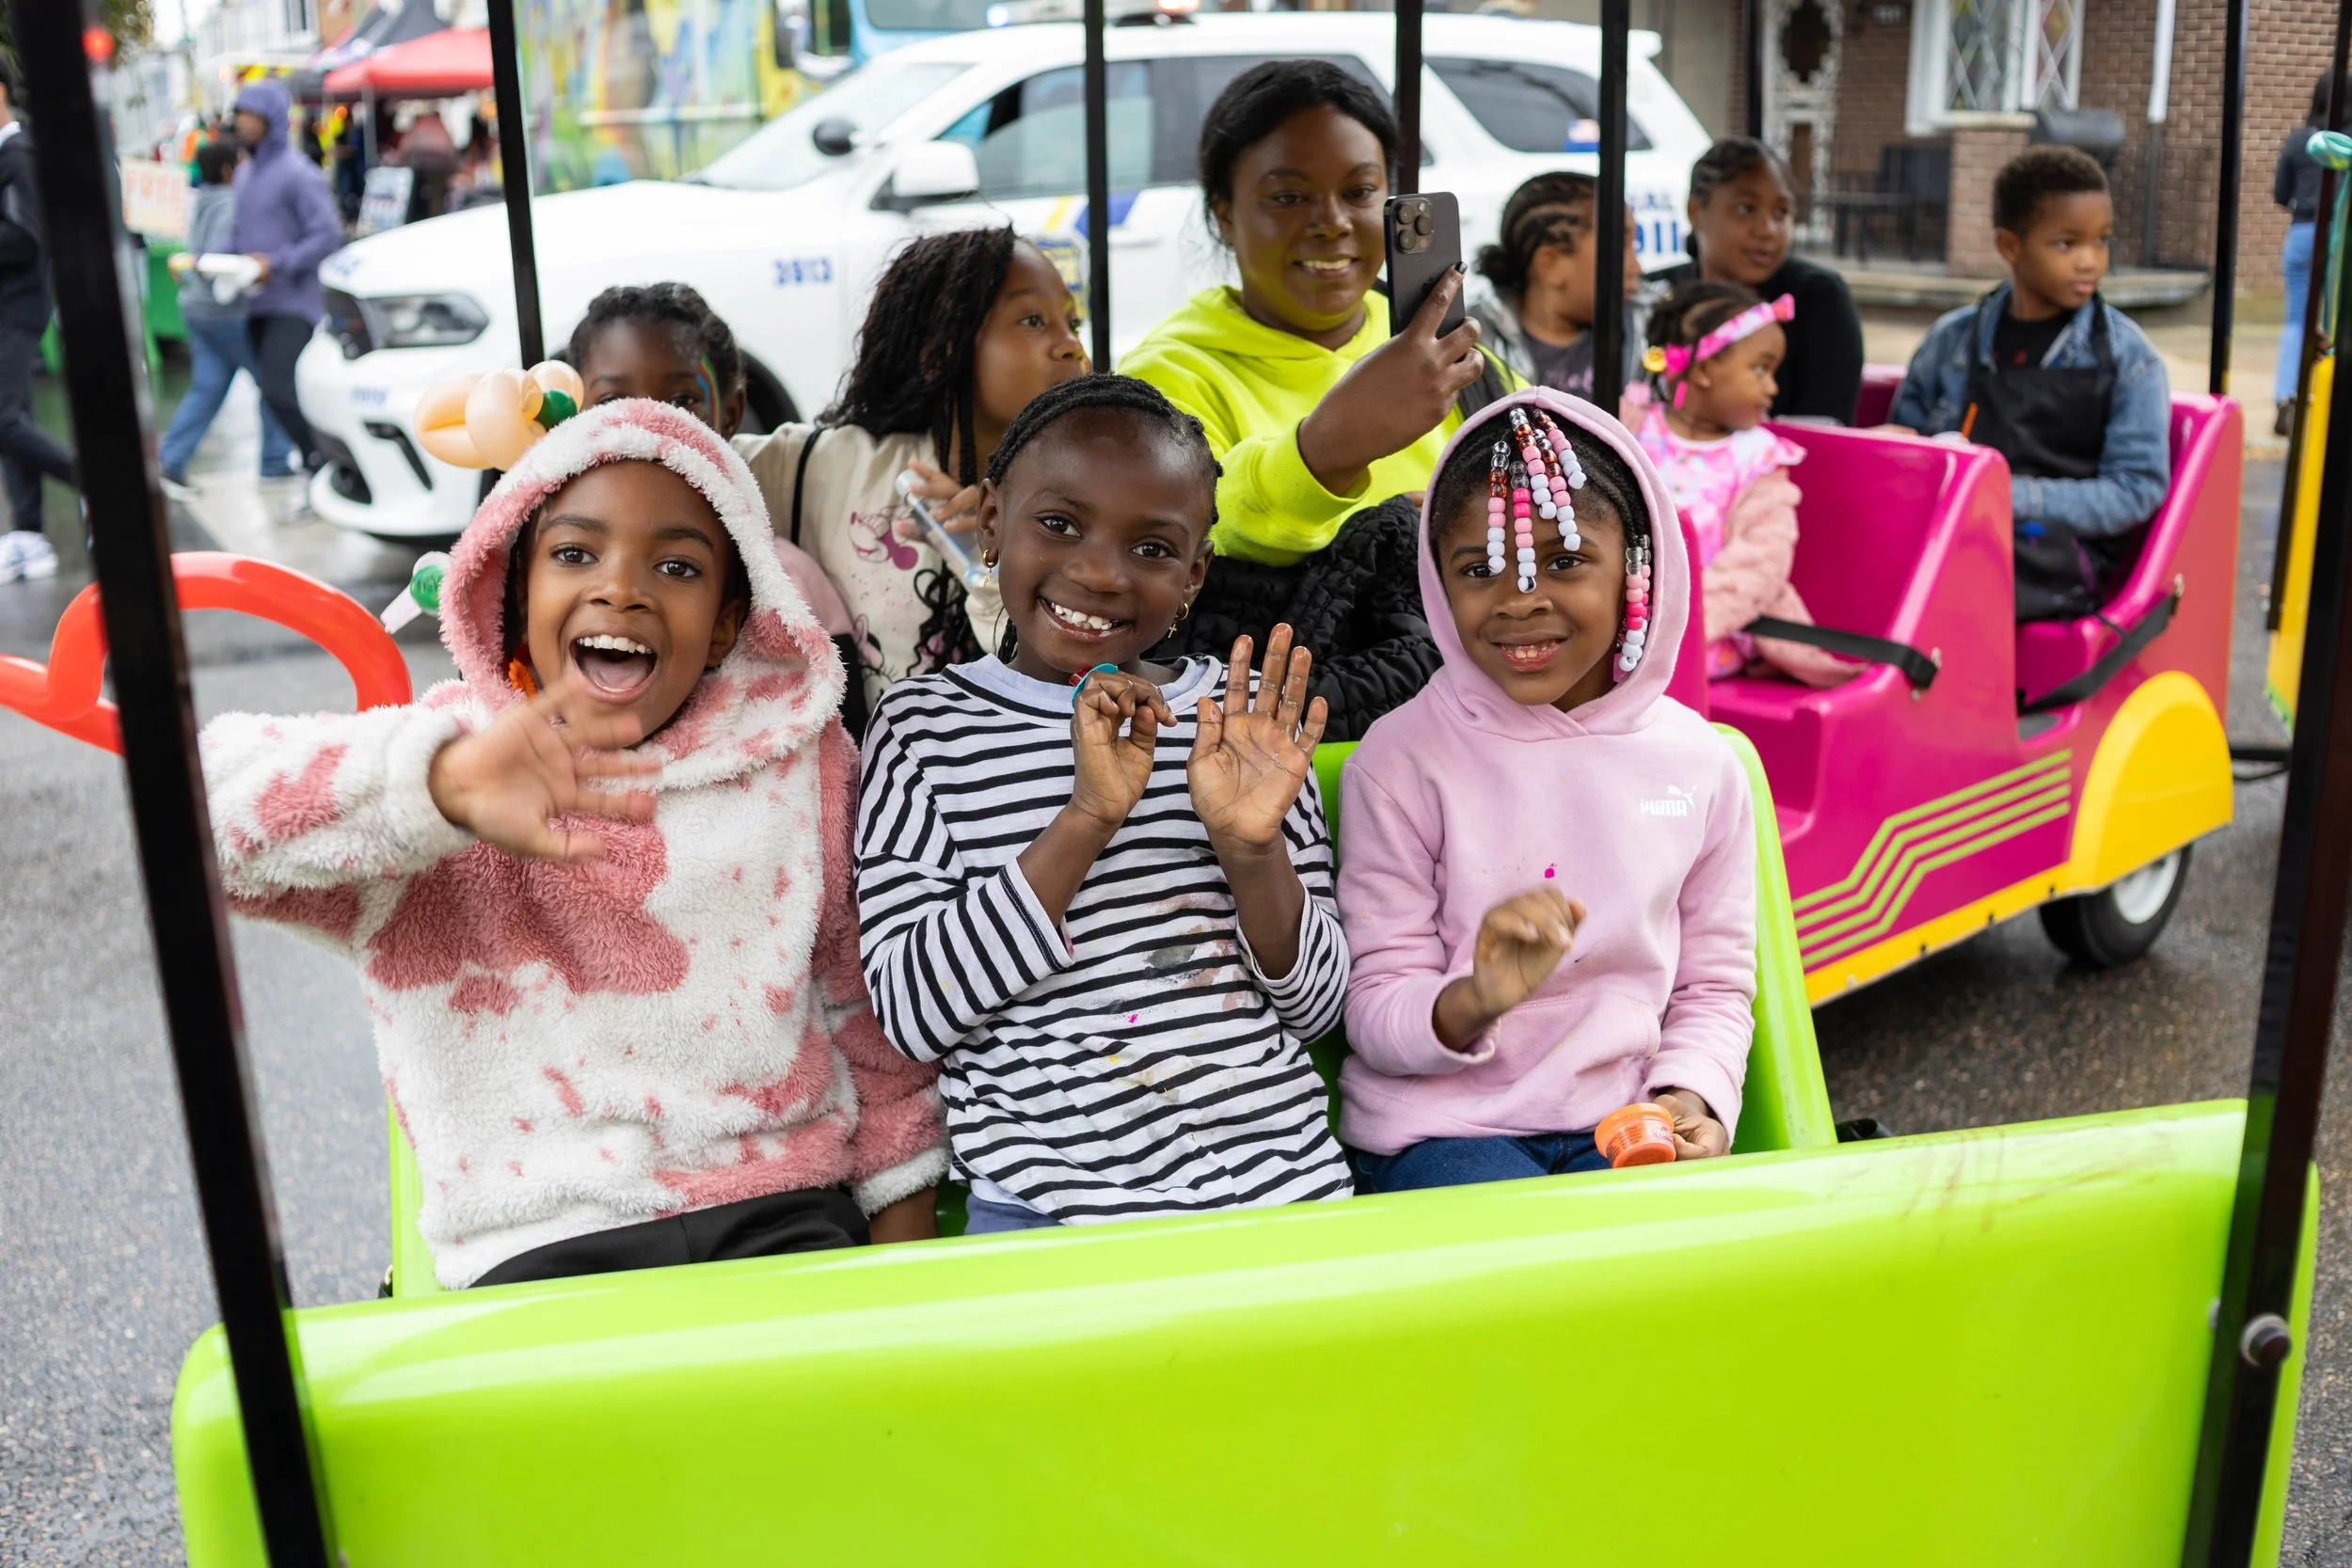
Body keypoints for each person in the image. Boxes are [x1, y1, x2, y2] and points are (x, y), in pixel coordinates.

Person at [198, 398, 946, 1289]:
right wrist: (439, 792)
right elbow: (205, 825)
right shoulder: (450, 756)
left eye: (675, 565)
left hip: (779, 1218)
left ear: (725, 620)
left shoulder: (799, 761)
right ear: (513, 589)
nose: (621, 587)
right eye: (575, 553)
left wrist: (904, 1257)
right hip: (537, 1246)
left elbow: (866, 1013)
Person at [855, 374, 1354, 1233]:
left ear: (1196, 570)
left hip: (1282, 1202)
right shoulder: (923, 728)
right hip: (1049, 1218)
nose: (1098, 572)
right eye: (1059, 524)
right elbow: (913, 1012)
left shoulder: (1243, 729)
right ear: (991, 520)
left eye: (1153, 549)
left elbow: (1316, 1006)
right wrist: (1086, 819)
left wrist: (1250, 849)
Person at [1334, 390, 1756, 1194]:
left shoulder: (1700, 766)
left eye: (1564, 562)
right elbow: (1375, 1005)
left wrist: (1692, 1093)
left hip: (1627, 1124)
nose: (1521, 599)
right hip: (1441, 1136)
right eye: (1478, 568)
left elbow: (1714, 983)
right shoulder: (1399, 762)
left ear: (1636, 566)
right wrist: (1474, 997)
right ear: (1437, 584)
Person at [1124, 59, 1511, 738]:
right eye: (1287, 197)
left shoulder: (1464, 366)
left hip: (1474, 752)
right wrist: (1330, 449)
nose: (1331, 223)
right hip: (1269, 777)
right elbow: (1175, 541)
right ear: (1223, 212)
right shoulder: (1166, 377)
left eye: (1360, 192)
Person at [732, 227, 1086, 718]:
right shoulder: (821, 466)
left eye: (1073, 324)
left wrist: (985, 564)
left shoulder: (1083, 498)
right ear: (939, 347)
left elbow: (1066, 678)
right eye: (1033, 321)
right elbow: (683, 464)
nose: (1070, 346)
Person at [564, 281, 865, 727]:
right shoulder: (542, 566)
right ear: (575, 409)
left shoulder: (790, 586)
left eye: (683, 401)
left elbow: (843, 743)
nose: (651, 424)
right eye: (614, 401)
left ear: (731, 412)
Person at [1888, 146, 2170, 622]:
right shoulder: (1951, 342)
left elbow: (2134, 489)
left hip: (2059, 556)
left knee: (1962, 574)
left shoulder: (2131, 359)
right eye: (2067, 243)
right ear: (2010, 246)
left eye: (2101, 241)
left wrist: (2007, 497)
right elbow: (1906, 447)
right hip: (1953, 531)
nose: (2090, 261)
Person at [1632, 282, 1853, 686]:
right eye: (1760, 369)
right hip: (1624, 625)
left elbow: (1759, 563)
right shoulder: (1633, 426)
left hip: (1710, 635)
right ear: (1702, 371)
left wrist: (1678, 626)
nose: (1773, 388)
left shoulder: (1759, 459)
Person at [1657, 137, 1863, 425]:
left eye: (1782, 213)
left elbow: (1825, 424)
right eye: (1745, 209)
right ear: (1695, 211)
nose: (1767, 230)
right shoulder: (1656, 295)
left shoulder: (1817, 298)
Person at [160, 138, 296, 495]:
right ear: (227, 169)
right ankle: (275, 461)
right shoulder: (230, 203)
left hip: (196, 310)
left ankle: (170, 461)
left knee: (207, 387)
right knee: (273, 381)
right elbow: (225, 259)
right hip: (226, 312)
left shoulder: (201, 198)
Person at [229, 80, 343, 479]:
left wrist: (275, 263)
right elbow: (238, 233)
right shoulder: (243, 174)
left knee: (282, 390)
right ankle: (318, 469)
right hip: (254, 303)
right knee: (271, 392)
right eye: (239, 113)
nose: (241, 121)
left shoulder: (300, 173)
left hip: (295, 303)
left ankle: (327, 465)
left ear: (270, 118)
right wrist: (211, 263)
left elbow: (328, 234)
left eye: (250, 113)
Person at [1467, 171, 1647, 402]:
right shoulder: (1474, 348)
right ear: (1550, 264)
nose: (1637, 268)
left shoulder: (1650, 332)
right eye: (1621, 247)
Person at [0, 55, 71, 583]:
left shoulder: (18, 153)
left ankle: (97, 483)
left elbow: (26, 237)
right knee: (11, 418)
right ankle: (28, 534)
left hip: (18, 305)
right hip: (10, 304)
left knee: (4, 418)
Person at [2273, 74, 2344, 438]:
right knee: (2334, 322)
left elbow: (2280, 193)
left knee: (2296, 320)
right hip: (2339, 236)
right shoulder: (2345, 144)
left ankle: (2286, 399)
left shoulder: (2300, 139)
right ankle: (2327, 397)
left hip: (2302, 233)